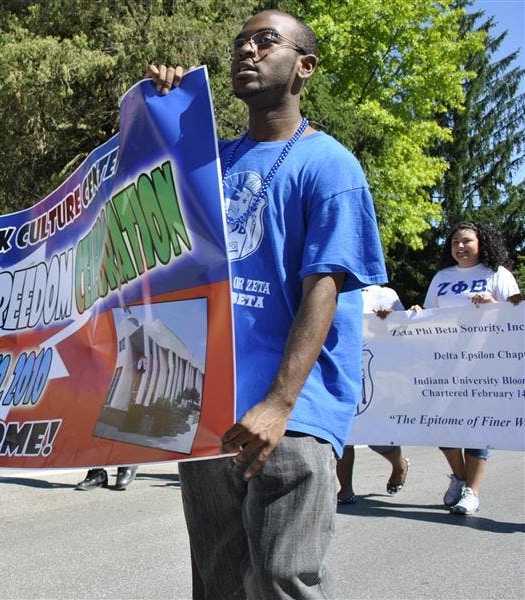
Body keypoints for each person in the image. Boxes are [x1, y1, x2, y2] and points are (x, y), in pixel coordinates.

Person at [148, 9, 387, 598]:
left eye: (266, 41)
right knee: (220, 582)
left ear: (303, 67)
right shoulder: (209, 164)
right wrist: (163, 114)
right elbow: (141, 207)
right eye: (240, 43)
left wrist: (280, 404)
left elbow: (324, 288)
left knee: (284, 578)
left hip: (291, 416)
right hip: (207, 412)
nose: (247, 52)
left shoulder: (330, 167)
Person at [418, 221, 521, 515]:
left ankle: (472, 492)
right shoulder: (441, 277)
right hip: (444, 363)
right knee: (437, 421)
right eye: (455, 243)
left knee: (478, 424)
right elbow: (430, 316)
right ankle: (460, 478)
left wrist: (494, 305)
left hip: (485, 362)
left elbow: (517, 314)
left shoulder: (497, 275)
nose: (460, 247)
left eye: (466, 241)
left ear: (481, 244)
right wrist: (414, 314)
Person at [336, 285, 409, 505]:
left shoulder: (385, 295)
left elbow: (404, 333)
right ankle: (345, 490)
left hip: (374, 375)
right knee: (344, 435)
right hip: (341, 368)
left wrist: (391, 320)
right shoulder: (336, 289)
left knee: (376, 436)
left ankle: (399, 466)